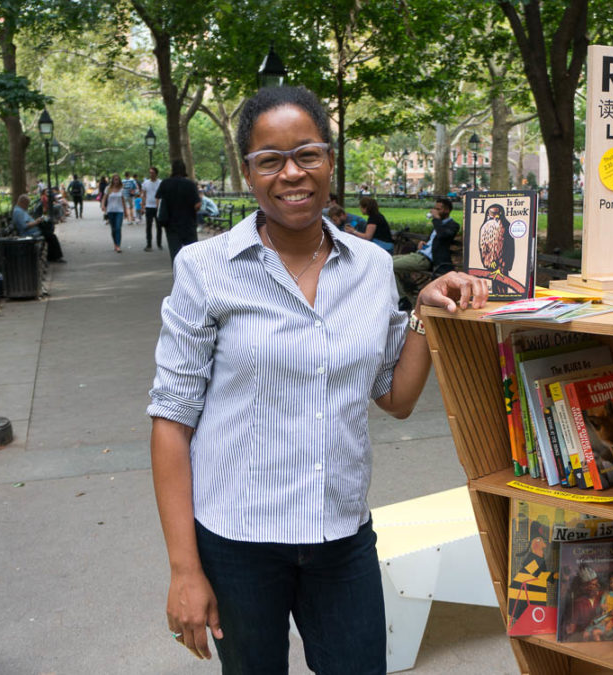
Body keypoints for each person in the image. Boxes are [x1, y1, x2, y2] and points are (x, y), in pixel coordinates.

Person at [147, 85, 488, 672]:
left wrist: (427, 315)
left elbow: (395, 397)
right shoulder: (205, 270)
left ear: (330, 159)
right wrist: (185, 569)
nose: (292, 173)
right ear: (248, 173)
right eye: (270, 160)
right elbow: (171, 423)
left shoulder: (373, 267)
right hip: (237, 542)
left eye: (307, 153)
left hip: (341, 536)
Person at [392, 197, 460, 311]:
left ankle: (403, 300)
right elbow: (434, 239)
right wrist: (425, 243)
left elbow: (443, 235)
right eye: (435, 208)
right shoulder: (439, 224)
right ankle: (402, 293)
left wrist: (436, 219)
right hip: (419, 254)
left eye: (439, 209)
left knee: (390, 266)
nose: (436, 210)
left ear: (447, 210)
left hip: (426, 260)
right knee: (385, 260)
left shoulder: (453, 225)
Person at [155, 159, 201, 263]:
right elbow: (197, 206)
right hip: (189, 224)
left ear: (172, 170)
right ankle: (192, 276)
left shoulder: (165, 183)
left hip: (171, 225)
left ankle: (179, 276)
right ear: (184, 170)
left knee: (175, 254)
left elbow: (158, 200)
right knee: (192, 253)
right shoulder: (190, 184)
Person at [102, 174, 126, 253]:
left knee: (118, 228)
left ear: (119, 180)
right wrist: (103, 205)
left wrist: (125, 211)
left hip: (119, 211)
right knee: (113, 229)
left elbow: (123, 200)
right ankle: (115, 244)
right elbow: (104, 198)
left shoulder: (121, 189)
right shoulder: (108, 188)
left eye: (117, 179)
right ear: (112, 180)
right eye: (115, 179)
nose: (116, 181)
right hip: (110, 211)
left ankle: (118, 245)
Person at [142, 166, 162, 251]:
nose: (151, 174)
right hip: (149, 206)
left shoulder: (160, 182)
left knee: (159, 226)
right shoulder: (146, 183)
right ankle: (149, 244)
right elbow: (144, 194)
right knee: (148, 226)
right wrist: (143, 205)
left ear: (156, 174)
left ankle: (159, 243)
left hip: (158, 207)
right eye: (150, 173)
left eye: (153, 173)